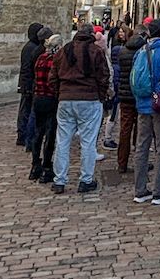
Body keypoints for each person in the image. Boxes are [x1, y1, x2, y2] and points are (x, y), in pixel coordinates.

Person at [49, 24, 110, 194]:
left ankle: (59, 180)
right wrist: (101, 95)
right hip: (89, 99)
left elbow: (53, 77)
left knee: (62, 141)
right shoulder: (95, 51)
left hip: (66, 99)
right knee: (88, 142)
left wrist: (60, 93)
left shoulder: (63, 51)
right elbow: (104, 77)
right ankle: (86, 179)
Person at [132, 18, 160, 206]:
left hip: (142, 104)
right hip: (159, 106)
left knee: (142, 147)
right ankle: (158, 191)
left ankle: (140, 189)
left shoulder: (140, 52)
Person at [30, 33, 62, 183]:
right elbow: (54, 81)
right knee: (50, 134)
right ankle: (47, 166)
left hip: (38, 98)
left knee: (38, 132)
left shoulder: (40, 59)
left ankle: (35, 165)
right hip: (50, 99)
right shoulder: (54, 60)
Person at [116, 28, 143, 173]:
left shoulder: (122, 52)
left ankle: (122, 162)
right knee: (140, 130)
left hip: (125, 95)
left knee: (125, 130)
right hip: (138, 95)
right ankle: (139, 160)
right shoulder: (142, 54)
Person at [17, 22, 44, 146]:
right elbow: (27, 68)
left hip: (27, 83)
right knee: (26, 110)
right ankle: (23, 136)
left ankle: (24, 135)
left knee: (26, 110)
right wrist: (27, 85)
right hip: (28, 84)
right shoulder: (31, 48)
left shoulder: (30, 46)